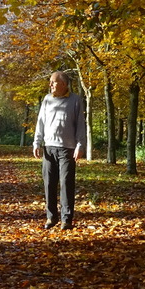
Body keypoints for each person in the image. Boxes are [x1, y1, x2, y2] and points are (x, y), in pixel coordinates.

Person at [33, 71, 86, 231]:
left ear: (63, 84)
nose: (50, 85)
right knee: (49, 184)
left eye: (53, 82)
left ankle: (66, 219)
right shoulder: (47, 100)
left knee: (66, 184)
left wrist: (80, 145)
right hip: (49, 148)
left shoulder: (75, 100)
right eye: (50, 82)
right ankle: (51, 217)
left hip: (67, 150)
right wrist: (37, 142)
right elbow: (40, 122)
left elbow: (80, 125)